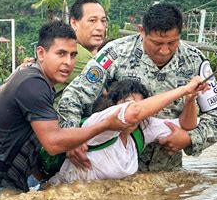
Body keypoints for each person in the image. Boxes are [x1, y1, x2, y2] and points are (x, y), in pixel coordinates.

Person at [58, 2, 217, 172]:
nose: (164, 50)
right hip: (112, 167)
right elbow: (73, 96)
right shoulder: (115, 53)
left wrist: (190, 138)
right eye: (156, 43)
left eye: (172, 43)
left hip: (168, 171)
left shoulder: (195, 60)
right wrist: (72, 137)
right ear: (141, 31)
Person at [0, 21, 127, 200]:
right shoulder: (34, 84)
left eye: (72, 55)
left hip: (9, 182)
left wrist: (45, 180)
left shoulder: (33, 79)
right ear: (41, 53)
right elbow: (53, 143)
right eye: (61, 54)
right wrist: (106, 125)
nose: (68, 62)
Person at [49, 77, 206, 184]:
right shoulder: (101, 122)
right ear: (114, 104)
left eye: (141, 104)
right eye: (127, 103)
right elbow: (134, 112)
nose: (138, 110)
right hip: (70, 199)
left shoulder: (143, 128)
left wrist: (190, 99)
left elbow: (186, 125)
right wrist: (185, 89)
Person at [54, 0, 108, 96]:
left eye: (103, 21)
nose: (100, 27)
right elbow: (106, 92)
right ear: (74, 23)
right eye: (92, 21)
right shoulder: (78, 55)